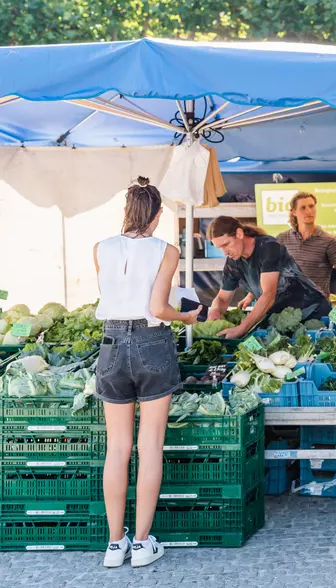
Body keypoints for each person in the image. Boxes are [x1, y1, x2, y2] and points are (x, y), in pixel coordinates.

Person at [94, 178, 201, 569]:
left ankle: (113, 544)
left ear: (126, 212)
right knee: (149, 446)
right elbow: (158, 306)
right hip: (152, 342)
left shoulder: (100, 248)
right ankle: (141, 544)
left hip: (110, 345)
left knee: (117, 449)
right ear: (157, 216)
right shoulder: (166, 250)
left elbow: (111, 295)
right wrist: (186, 314)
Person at [206, 216, 329, 339]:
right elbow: (222, 297)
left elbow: (268, 294)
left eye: (226, 244)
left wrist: (242, 328)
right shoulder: (233, 262)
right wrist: (215, 311)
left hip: (313, 311)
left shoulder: (269, 247)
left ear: (239, 234)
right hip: (282, 319)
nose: (225, 252)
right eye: (220, 247)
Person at [274, 191, 336, 312]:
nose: (309, 211)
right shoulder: (282, 239)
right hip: (287, 308)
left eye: (311, 206)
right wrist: (251, 295)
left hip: (318, 310)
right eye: (303, 208)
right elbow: (270, 272)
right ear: (294, 212)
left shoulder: (329, 241)